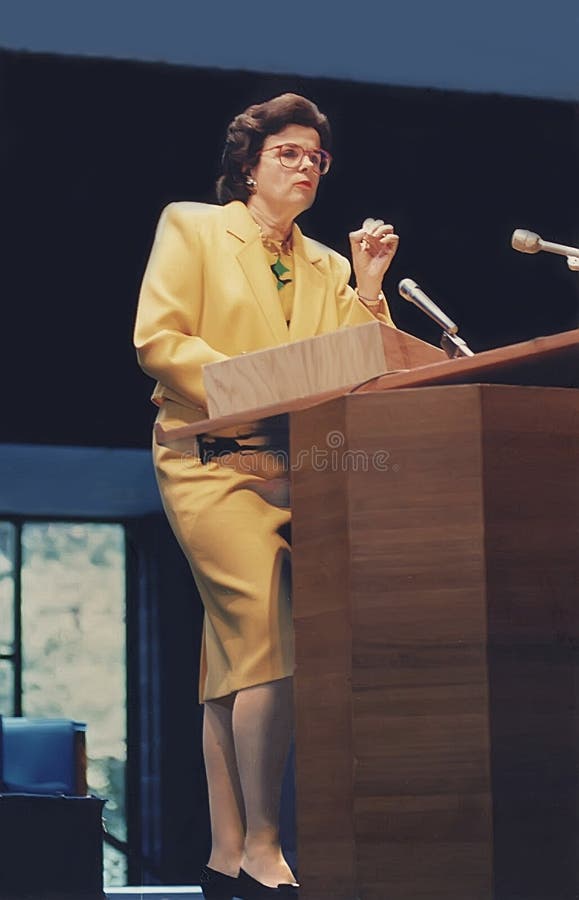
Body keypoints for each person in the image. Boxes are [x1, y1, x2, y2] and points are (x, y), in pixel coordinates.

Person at [133, 93, 399, 900]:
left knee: (233, 657)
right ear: (248, 164)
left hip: (293, 465)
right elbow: (160, 339)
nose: (305, 167)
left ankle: (223, 851)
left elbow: (350, 360)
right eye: (287, 153)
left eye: (316, 158)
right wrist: (251, 387)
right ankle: (264, 843)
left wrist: (369, 285)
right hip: (210, 457)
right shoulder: (192, 225)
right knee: (268, 632)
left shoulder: (322, 263)